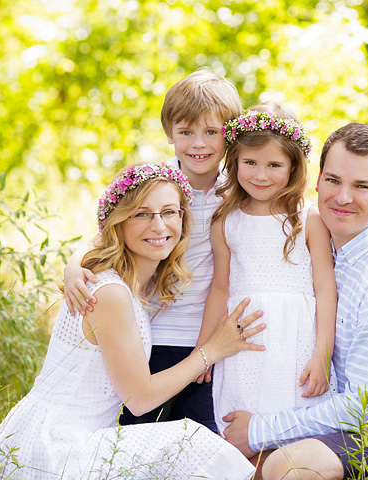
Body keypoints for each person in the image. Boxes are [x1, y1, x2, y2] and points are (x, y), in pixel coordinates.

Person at [0, 163, 264, 480]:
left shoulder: (136, 285)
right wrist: (212, 349)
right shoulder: (110, 293)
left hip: (75, 436)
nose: (158, 225)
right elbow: (140, 400)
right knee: (190, 442)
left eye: (169, 212)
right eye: (142, 214)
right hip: (54, 446)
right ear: (119, 222)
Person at [222, 123, 368, 480]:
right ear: (316, 181)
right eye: (333, 180)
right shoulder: (326, 242)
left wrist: (257, 431)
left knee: (291, 466)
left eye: (362, 186)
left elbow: (367, 408)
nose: (343, 197)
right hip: (347, 423)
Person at [63, 69, 242, 432]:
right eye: (186, 132)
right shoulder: (155, 187)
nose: (198, 143)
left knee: (198, 438)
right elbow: (111, 233)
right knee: (138, 438)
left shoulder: (240, 191)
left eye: (212, 132)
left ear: (230, 135)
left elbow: (295, 208)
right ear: (169, 134)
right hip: (150, 335)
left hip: (205, 340)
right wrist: (73, 265)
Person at [197, 103, 338, 436]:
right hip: (244, 338)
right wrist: (203, 350)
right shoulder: (225, 220)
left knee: (293, 425)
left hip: (296, 338)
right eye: (250, 163)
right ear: (234, 163)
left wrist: (322, 355)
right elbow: (220, 288)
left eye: (274, 165)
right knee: (239, 426)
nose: (260, 175)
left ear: (293, 167)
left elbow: (325, 290)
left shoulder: (308, 218)